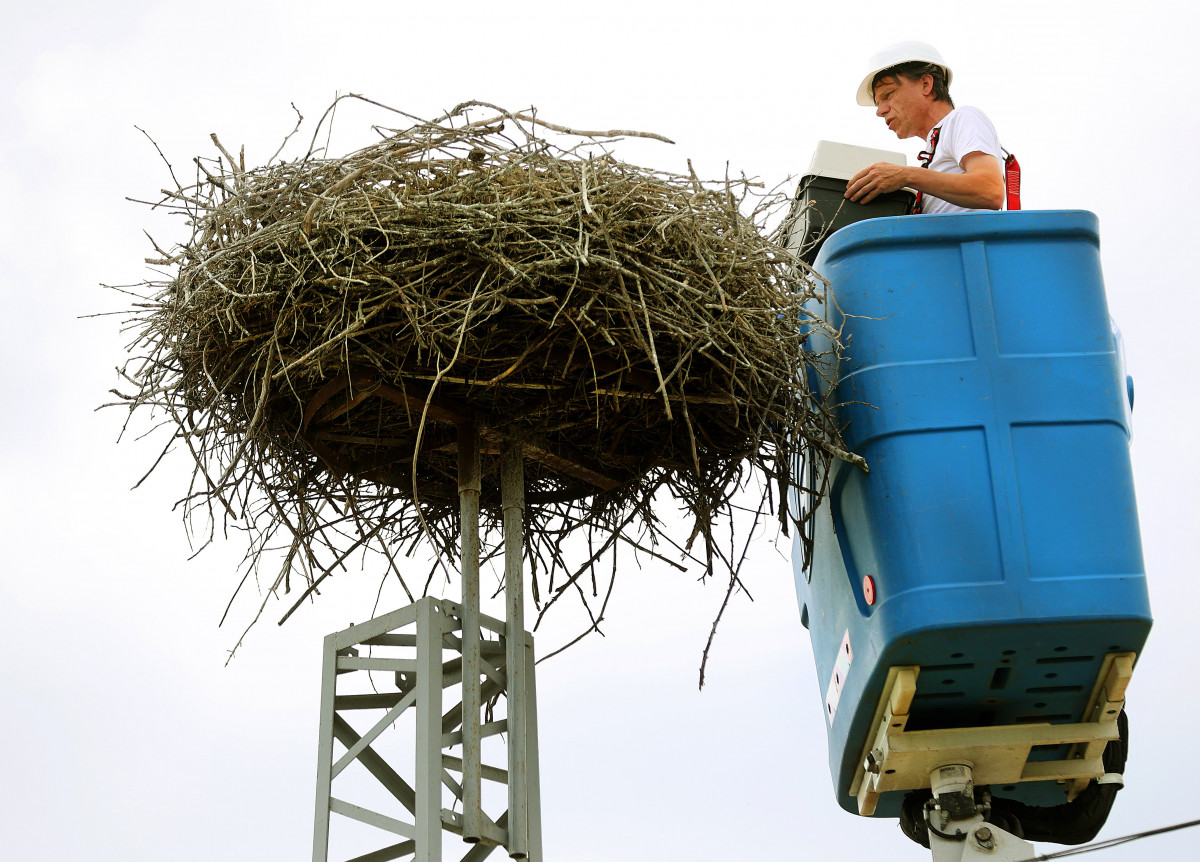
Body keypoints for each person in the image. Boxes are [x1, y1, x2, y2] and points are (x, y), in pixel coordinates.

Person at [844, 42, 1006, 214]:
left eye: (888, 94)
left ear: (926, 85)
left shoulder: (962, 118)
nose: (880, 111)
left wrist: (905, 176)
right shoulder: (933, 155)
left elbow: (990, 190)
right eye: (878, 103)